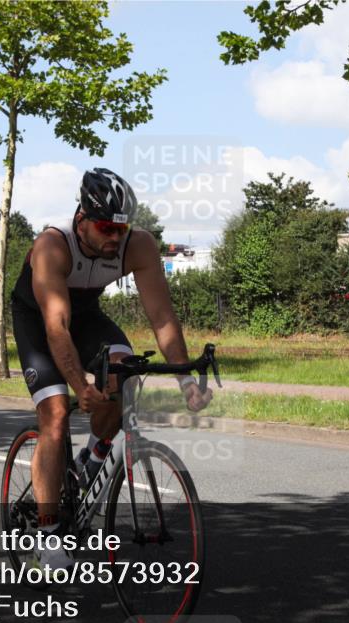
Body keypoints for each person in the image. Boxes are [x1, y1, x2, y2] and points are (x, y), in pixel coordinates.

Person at [11, 168, 212, 573]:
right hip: (40, 322)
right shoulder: (53, 246)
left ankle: (94, 455)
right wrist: (78, 384)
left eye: (122, 229)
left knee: (125, 375)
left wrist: (186, 380)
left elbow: (162, 317)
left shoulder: (138, 246)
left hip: (87, 319)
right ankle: (48, 536)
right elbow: (57, 327)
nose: (115, 239)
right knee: (56, 414)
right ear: (81, 219)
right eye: (106, 228)